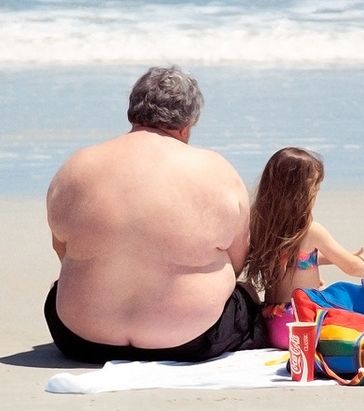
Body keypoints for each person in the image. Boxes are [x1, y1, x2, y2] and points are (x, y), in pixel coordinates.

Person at [44, 66, 266, 364]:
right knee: (247, 297)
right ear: (186, 124)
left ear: (132, 113)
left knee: (59, 288)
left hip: (80, 340)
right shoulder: (215, 170)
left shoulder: (77, 166)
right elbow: (237, 257)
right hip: (192, 340)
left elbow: (62, 248)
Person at [244, 147, 364, 349]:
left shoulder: (259, 223)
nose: (315, 194)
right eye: (314, 189)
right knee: (352, 301)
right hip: (304, 324)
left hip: (273, 324)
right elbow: (351, 267)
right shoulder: (310, 231)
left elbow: (291, 259)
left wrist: (329, 259)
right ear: (300, 193)